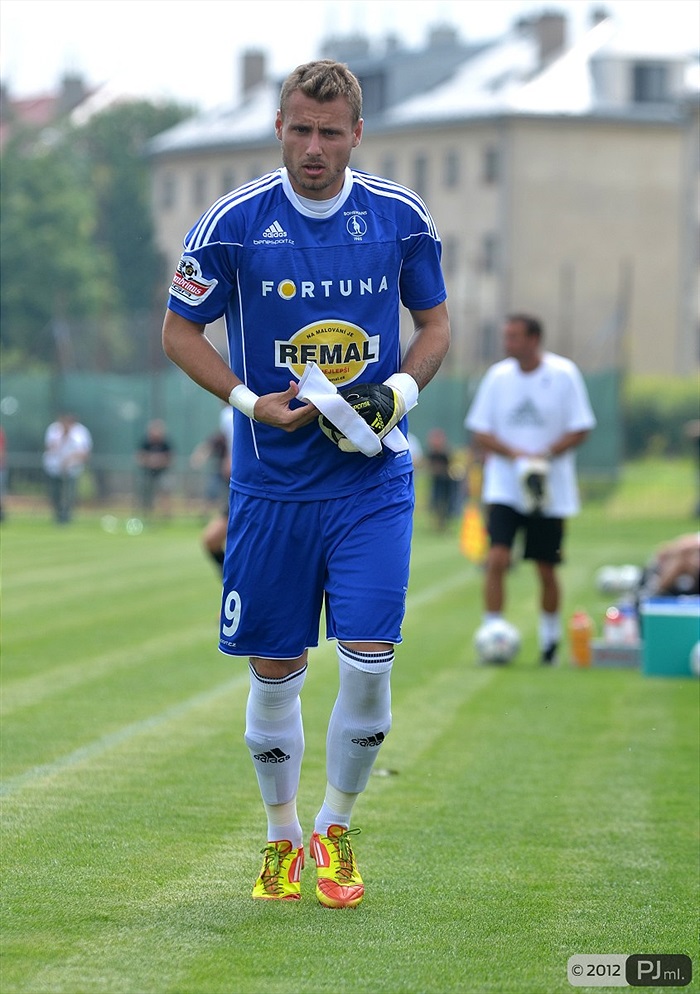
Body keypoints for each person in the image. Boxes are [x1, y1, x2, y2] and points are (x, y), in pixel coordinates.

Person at [162, 60, 450, 908]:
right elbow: (180, 331)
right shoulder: (233, 223)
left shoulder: (400, 217)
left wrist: (398, 391)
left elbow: (434, 326)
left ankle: (336, 826)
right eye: (300, 129)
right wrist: (253, 403)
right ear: (279, 128)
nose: (314, 147)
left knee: (368, 662)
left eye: (331, 132)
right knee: (275, 673)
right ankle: (282, 834)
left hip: (370, 481)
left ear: (356, 134)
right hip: (270, 489)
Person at [464, 313, 596, 665]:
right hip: (505, 487)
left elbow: (581, 427)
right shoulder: (497, 377)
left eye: (514, 337)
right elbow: (480, 431)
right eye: (506, 337)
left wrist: (544, 455)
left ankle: (550, 641)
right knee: (497, 558)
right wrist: (518, 456)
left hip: (547, 491)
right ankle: (493, 632)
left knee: (545, 567)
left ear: (534, 339)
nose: (507, 344)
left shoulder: (564, 374)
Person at [196, 405, 234, 575]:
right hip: (238, 488)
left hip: (256, 487)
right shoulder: (227, 414)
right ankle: (231, 578)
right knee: (211, 540)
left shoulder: (230, 414)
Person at [42, 412, 93, 524]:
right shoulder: (54, 430)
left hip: (72, 469)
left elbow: (85, 452)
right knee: (55, 493)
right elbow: (49, 447)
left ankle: (67, 516)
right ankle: (58, 515)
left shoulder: (80, 432)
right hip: (54, 468)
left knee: (69, 494)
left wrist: (70, 459)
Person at [135, 419, 174, 516]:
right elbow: (139, 457)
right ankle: (146, 513)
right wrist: (150, 461)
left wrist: (159, 461)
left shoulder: (165, 444)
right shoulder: (145, 443)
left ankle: (166, 514)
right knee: (145, 490)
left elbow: (170, 458)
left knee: (165, 490)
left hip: (162, 472)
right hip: (148, 473)